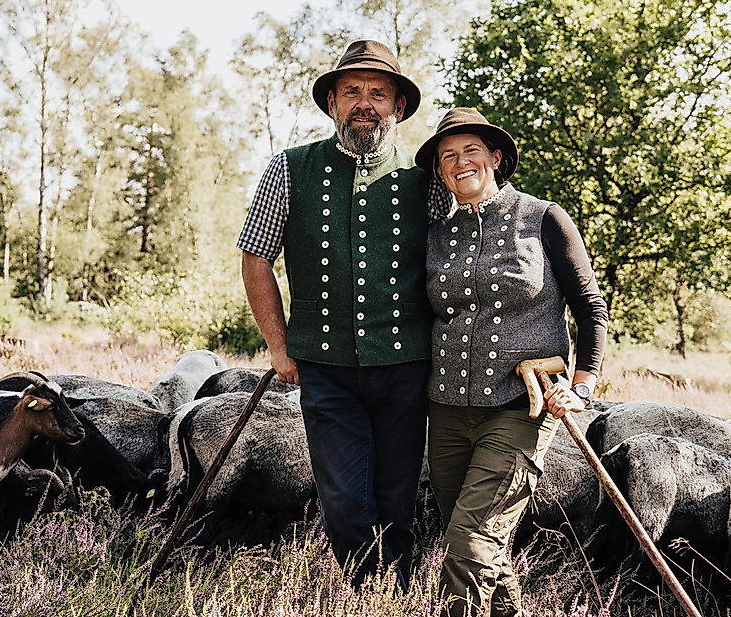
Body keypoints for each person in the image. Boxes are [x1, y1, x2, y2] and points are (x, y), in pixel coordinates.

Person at [236, 39, 449, 589]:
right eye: (352, 91)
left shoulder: (429, 176)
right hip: (325, 369)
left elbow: (463, 259)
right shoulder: (289, 167)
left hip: (407, 364)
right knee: (345, 501)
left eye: (378, 93)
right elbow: (256, 256)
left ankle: (396, 595)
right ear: (331, 101)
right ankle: (364, 590)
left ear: (397, 107)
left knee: (398, 496)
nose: (365, 103)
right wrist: (279, 347)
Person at [414, 107, 609, 616]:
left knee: (470, 541)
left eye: (471, 151)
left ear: (496, 157)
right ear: (439, 171)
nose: (460, 163)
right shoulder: (434, 234)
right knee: (484, 548)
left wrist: (582, 387)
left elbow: (591, 310)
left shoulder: (545, 218)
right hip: (447, 411)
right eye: (447, 156)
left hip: (520, 410)